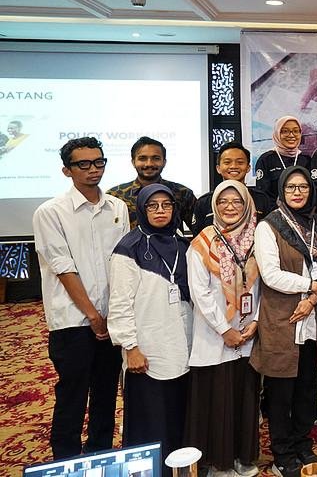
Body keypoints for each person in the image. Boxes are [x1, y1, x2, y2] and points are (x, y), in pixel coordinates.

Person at [33, 137, 129, 459]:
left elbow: (123, 263)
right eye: (83, 164)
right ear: (66, 170)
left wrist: (113, 315)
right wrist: (92, 315)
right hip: (73, 322)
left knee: (105, 394)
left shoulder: (117, 208)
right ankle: (66, 459)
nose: (93, 170)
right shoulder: (49, 212)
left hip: (111, 318)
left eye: (98, 162)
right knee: (72, 395)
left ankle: (100, 454)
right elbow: (63, 268)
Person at [107, 184, 193, 466]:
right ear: (142, 210)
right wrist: (130, 347)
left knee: (178, 413)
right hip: (147, 348)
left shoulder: (182, 244)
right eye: (152, 206)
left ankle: (180, 468)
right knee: (151, 418)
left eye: (166, 205)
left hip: (182, 343)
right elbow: (119, 304)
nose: (160, 211)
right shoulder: (127, 249)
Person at [251, 167, 317, 477]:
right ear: (282, 190)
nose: (298, 192)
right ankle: (283, 452)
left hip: (312, 314)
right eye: (291, 187)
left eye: (303, 187)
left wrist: (313, 298)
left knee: (307, 387)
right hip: (282, 317)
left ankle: (302, 442)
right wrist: (310, 287)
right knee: (281, 391)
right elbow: (270, 275)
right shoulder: (269, 226)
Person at [186, 180, 263, 477]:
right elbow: (200, 292)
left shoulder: (257, 238)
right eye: (223, 202)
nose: (230, 208)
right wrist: (224, 329)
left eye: (237, 202)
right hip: (215, 335)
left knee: (245, 398)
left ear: (246, 206)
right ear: (214, 206)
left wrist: (255, 320)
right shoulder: (203, 242)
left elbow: (263, 287)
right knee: (217, 399)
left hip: (247, 332)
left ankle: (243, 456)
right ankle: (219, 462)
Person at [108, 136, 197, 231]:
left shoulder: (183, 193)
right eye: (142, 158)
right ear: (133, 162)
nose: (149, 164)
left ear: (164, 162)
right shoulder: (115, 196)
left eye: (156, 158)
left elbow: (201, 232)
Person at [191, 141, 275, 232]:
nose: (234, 166)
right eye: (227, 162)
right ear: (218, 168)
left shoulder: (262, 199)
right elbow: (198, 238)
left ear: (248, 168)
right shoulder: (204, 202)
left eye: (240, 162)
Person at [255, 116, 311, 202]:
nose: (291, 135)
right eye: (285, 131)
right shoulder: (266, 159)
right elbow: (263, 193)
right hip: (274, 211)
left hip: (303, 212)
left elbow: (311, 191)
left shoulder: (306, 159)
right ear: (277, 133)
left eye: (296, 131)